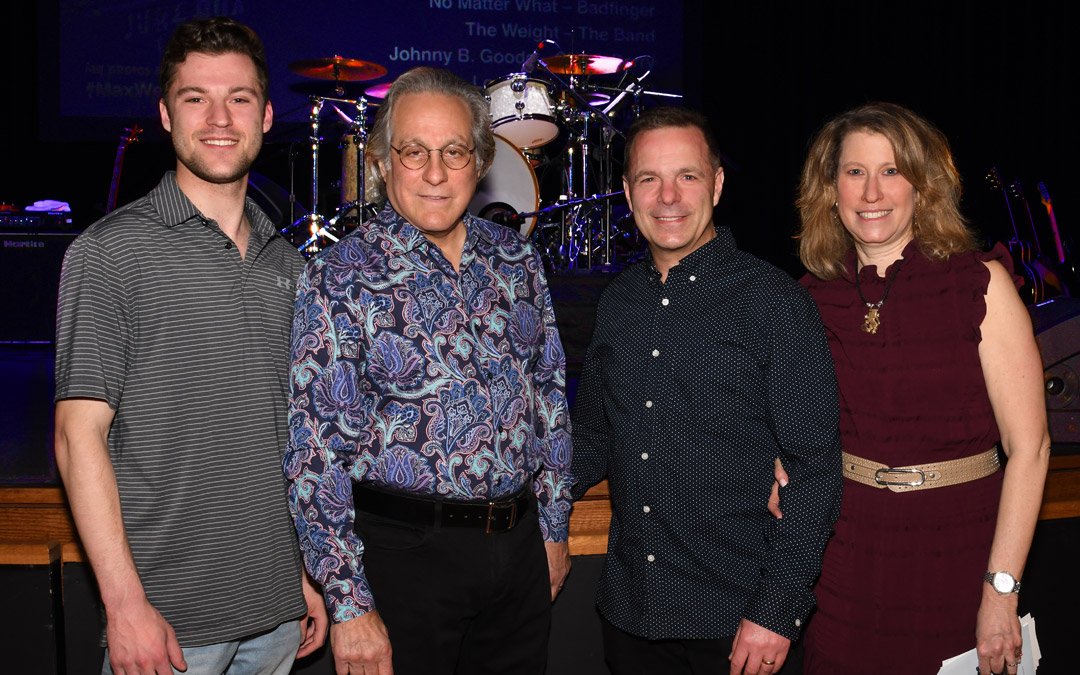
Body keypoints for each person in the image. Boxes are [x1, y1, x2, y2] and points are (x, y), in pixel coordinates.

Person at [54, 16, 326, 674]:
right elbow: (76, 437)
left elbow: (292, 440)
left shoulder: (290, 266)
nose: (219, 118)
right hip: (167, 626)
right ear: (165, 115)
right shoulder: (108, 252)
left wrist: (308, 573)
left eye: (238, 98)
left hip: (278, 618)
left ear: (265, 116)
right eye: (195, 98)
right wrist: (124, 606)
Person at [283, 66, 573, 675]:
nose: (436, 174)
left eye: (454, 152)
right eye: (414, 152)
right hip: (403, 561)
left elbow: (548, 396)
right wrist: (349, 602)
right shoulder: (340, 274)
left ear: (480, 160)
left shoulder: (515, 258)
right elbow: (316, 451)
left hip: (518, 554)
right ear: (384, 162)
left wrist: (551, 528)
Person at [570, 106, 843, 675]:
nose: (668, 196)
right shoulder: (618, 302)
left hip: (739, 625)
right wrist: (511, 489)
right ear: (627, 191)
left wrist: (777, 612)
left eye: (687, 176)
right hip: (629, 613)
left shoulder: (773, 304)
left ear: (716, 184)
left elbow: (814, 472)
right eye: (649, 179)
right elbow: (595, 434)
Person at [793, 102, 1050, 675]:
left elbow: (1030, 449)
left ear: (922, 186)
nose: (871, 192)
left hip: (960, 553)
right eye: (854, 172)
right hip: (847, 557)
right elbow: (781, 420)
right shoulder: (810, 298)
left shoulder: (980, 284)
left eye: (891, 170)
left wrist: (1001, 591)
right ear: (830, 191)